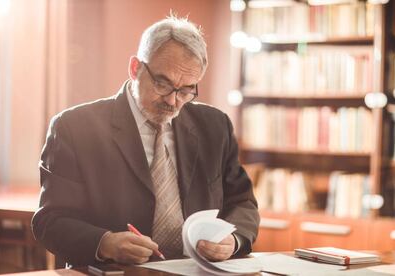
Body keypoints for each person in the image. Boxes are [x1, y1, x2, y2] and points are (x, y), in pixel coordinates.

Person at [32, 15, 259, 266]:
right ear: (135, 68)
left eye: (186, 90)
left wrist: (234, 239)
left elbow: (242, 202)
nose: (173, 101)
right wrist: (104, 243)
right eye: (163, 84)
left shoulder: (215, 126)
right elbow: (50, 221)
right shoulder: (74, 128)